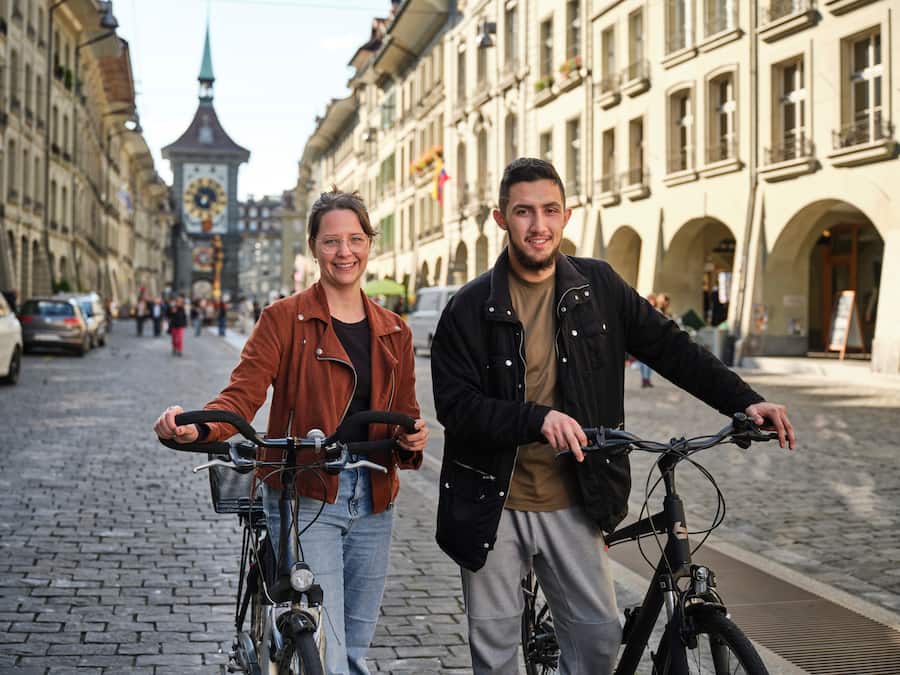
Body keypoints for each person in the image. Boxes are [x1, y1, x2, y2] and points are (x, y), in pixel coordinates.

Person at [429, 158, 795, 675]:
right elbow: (456, 408)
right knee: (494, 655)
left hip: (575, 501)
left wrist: (743, 400)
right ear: (500, 219)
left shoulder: (597, 286)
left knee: (599, 644)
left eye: (550, 210)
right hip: (495, 504)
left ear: (567, 215)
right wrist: (533, 419)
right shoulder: (468, 307)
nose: (539, 225)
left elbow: (670, 348)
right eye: (524, 212)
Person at [153, 187, 429, 675]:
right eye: (331, 241)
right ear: (313, 246)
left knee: (354, 646)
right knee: (328, 649)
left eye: (355, 239)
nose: (344, 252)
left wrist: (413, 439)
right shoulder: (283, 318)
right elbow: (241, 397)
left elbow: (404, 412)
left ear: (369, 243)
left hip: (375, 496)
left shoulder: (395, 330)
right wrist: (197, 429)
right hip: (306, 494)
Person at [637, 292, 658, 388]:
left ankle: (647, 379)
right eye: (650, 300)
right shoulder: (642, 310)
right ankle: (644, 379)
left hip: (652, 340)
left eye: (652, 300)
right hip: (642, 339)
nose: (651, 302)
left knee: (649, 362)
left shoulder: (656, 311)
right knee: (642, 362)